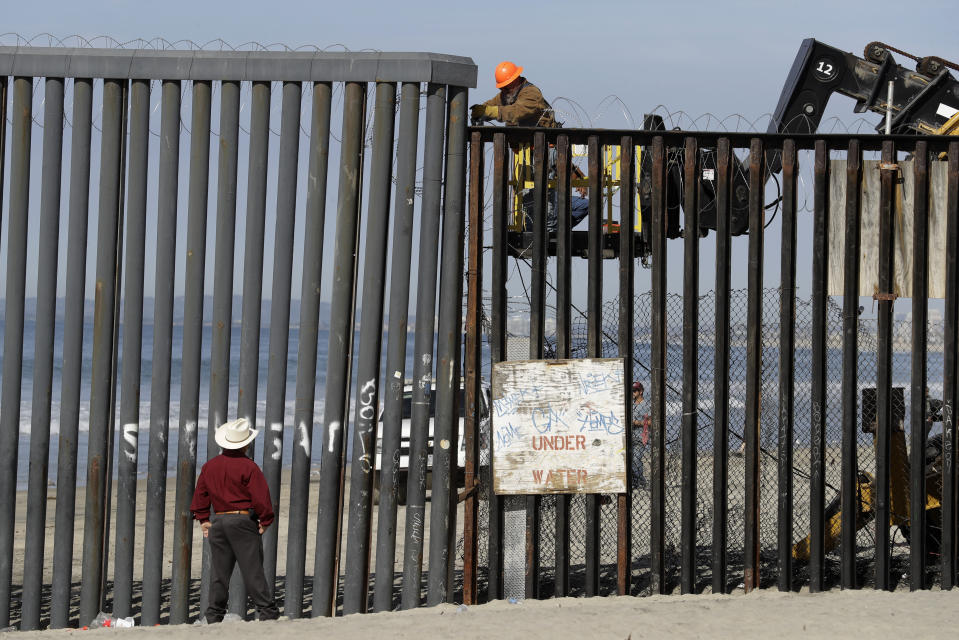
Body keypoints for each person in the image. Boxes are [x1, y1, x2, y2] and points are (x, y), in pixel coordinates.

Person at [470, 61, 589, 231]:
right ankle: (551, 228)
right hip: (527, 158)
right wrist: (481, 110)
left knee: (544, 203)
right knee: (531, 200)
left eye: (505, 87)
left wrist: (490, 112)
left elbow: (516, 112)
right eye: (501, 88)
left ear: (516, 81)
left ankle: (552, 231)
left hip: (543, 154)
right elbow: (493, 105)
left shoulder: (531, 94)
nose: (503, 91)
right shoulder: (507, 95)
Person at [191, 418, 279, 623]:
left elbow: (200, 496)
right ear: (246, 444)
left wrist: (204, 520)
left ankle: (213, 615)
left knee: (219, 574)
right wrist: (265, 520)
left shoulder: (209, 467)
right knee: (253, 570)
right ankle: (267, 612)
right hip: (241, 521)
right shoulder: (249, 467)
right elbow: (261, 499)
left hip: (218, 522)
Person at [631, 381, 650, 490]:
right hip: (629, 437)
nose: (633, 393)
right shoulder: (631, 404)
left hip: (640, 436)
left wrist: (637, 423)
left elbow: (651, 421)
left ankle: (640, 480)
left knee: (636, 458)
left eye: (634, 390)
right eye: (632, 391)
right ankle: (636, 481)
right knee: (630, 459)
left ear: (641, 391)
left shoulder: (646, 405)